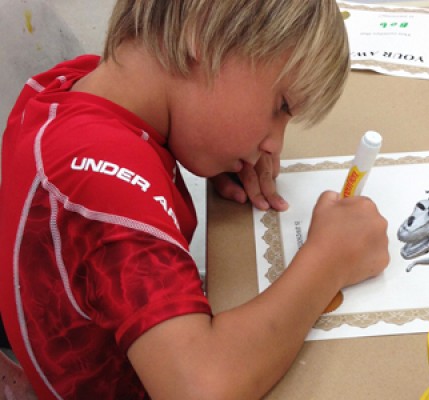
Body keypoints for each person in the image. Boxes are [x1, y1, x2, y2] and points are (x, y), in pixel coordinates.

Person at [0, 0, 390, 399]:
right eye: (281, 107)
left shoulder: (73, 84)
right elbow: (201, 388)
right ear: (202, 32)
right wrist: (330, 259)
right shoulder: (97, 183)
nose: (275, 143)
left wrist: (215, 149)